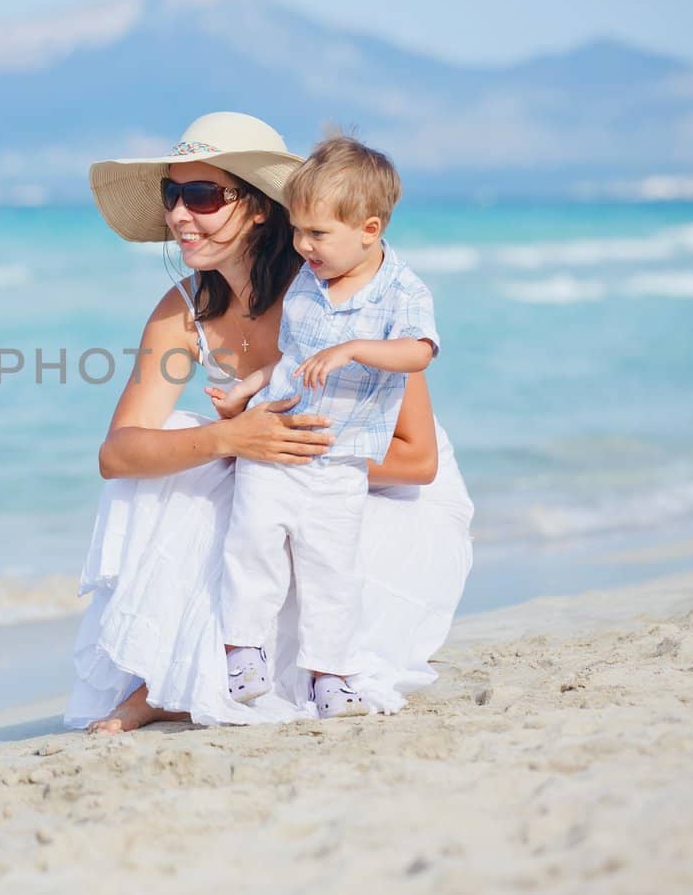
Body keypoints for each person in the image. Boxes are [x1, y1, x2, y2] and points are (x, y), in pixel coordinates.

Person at [65, 111, 473, 731]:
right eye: (172, 195)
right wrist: (229, 439)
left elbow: (419, 460)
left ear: (259, 208)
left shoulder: (340, 292)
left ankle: (184, 684)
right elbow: (116, 453)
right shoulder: (185, 312)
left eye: (201, 195)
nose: (179, 215)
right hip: (272, 487)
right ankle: (164, 681)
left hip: (380, 491)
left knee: (240, 486)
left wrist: (285, 450)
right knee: (184, 447)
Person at [209, 136, 439, 717]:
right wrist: (247, 386)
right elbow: (290, 360)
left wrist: (358, 348)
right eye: (296, 231)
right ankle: (244, 649)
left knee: (331, 570)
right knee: (252, 542)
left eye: (316, 234)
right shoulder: (307, 284)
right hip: (278, 446)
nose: (301, 245)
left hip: (339, 462)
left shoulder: (402, 291)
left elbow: (419, 352)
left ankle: (331, 677)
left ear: (368, 229)